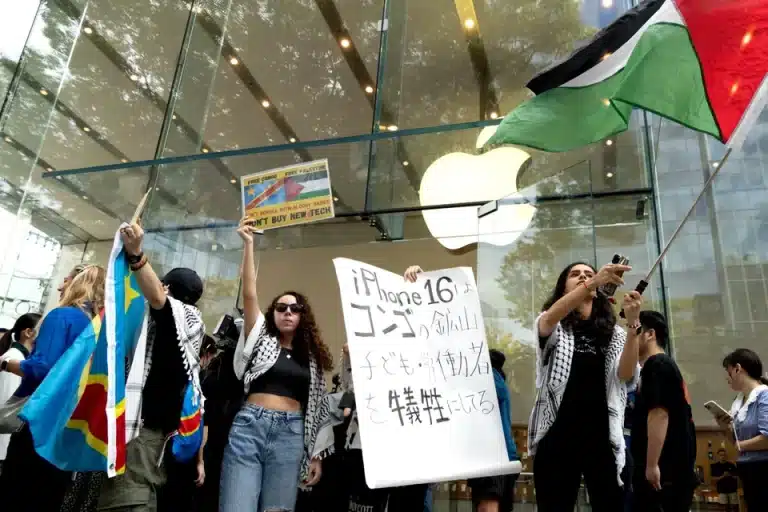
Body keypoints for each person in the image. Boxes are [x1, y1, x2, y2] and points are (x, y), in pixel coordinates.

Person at [219, 218, 333, 512]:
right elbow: (249, 294)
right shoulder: (260, 337)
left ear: (303, 316)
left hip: (291, 434)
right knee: (236, 506)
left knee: (278, 510)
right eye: (281, 308)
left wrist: (316, 455)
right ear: (273, 313)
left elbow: (318, 408)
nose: (288, 312)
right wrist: (249, 244)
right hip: (249, 427)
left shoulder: (312, 359)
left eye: (295, 309)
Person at [98, 222, 206, 512]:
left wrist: (136, 256)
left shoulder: (182, 317)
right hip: (153, 432)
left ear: (167, 287)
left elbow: (158, 298)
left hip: (143, 430)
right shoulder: (185, 325)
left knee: (128, 499)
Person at [527, 261, 640, 511]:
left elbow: (626, 374)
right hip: (557, 433)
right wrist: (594, 281)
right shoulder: (555, 325)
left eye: (588, 274)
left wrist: (633, 325)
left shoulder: (614, 333)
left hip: (602, 436)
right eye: (575, 274)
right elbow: (548, 320)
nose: (582, 277)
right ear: (563, 287)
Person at [0, 265, 105, 512]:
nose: (60, 286)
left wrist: (5, 363)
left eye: (66, 280)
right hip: (69, 427)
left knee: (17, 495)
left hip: (39, 425)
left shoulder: (62, 316)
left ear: (79, 283)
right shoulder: (96, 328)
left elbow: (42, 368)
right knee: (48, 496)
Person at [630, 310, 697, 511]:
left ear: (650, 334)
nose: (628, 339)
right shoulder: (663, 366)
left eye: (634, 331)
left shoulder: (657, 365)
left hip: (665, 473)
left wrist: (652, 465)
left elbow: (659, 414)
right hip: (673, 471)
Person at [467, 349, 520, 512]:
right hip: (502, 457)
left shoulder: (488, 381)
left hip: (491, 457)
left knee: (487, 507)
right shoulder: (499, 382)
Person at [720, 348, 768, 510]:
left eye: (728, 372)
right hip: (747, 469)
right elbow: (736, 440)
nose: (727, 378)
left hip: (764, 468)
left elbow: (766, 438)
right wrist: (724, 427)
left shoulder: (764, 395)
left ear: (738, 369)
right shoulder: (738, 401)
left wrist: (740, 445)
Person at [0, 313, 41, 468]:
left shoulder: (20, 360)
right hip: (3, 446)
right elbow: (7, 405)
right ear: (28, 332)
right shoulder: (15, 360)